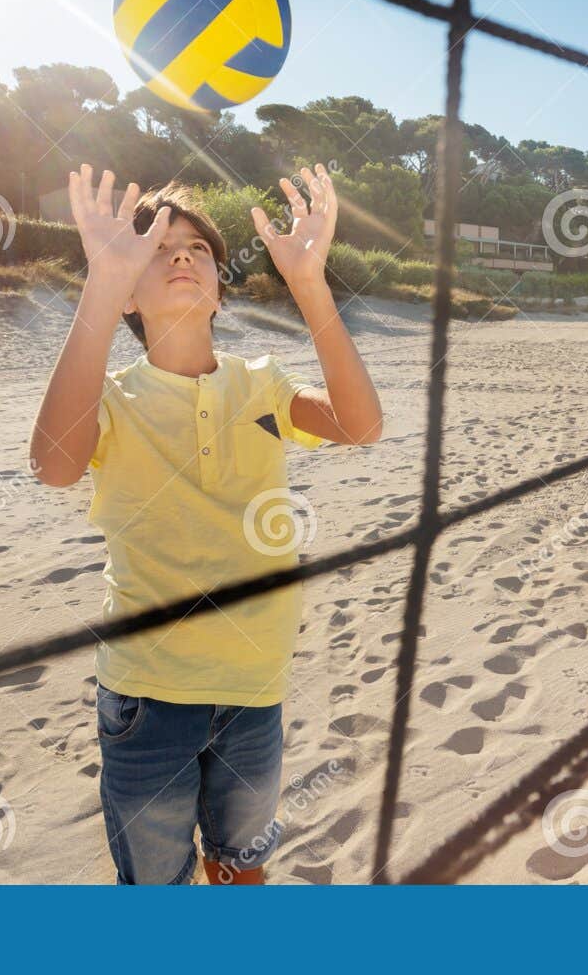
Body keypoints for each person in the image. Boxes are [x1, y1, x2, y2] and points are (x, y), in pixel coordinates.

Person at [30, 162, 383, 884]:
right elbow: (55, 464)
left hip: (256, 687)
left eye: (197, 249)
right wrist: (100, 281)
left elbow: (361, 423)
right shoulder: (114, 400)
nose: (182, 255)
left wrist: (311, 284)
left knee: (240, 867)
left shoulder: (263, 383)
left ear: (221, 288)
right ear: (128, 292)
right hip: (148, 696)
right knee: (158, 885)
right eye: (158, 248)